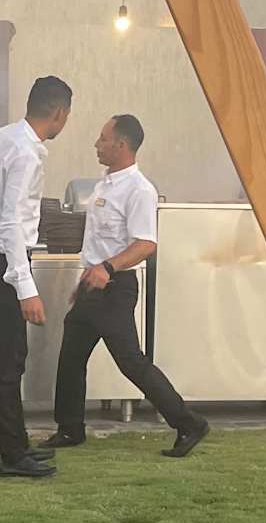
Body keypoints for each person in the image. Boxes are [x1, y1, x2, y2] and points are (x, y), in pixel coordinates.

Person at [43, 115, 208, 459]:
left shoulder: (139, 190)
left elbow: (146, 243)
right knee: (71, 356)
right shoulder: (104, 185)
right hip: (93, 285)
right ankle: (70, 429)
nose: (97, 144)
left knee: (131, 362)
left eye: (103, 139)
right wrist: (88, 276)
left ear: (121, 145)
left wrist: (107, 268)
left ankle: (189, 423)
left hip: (115, 288)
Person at [0, 75, 70, 478]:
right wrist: (25, 287)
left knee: (11, 360)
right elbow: (11, 221)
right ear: (58, 113)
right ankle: (12, 456)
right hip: (2, 266)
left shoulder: (4, 136)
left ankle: (18, 444)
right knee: (7, 364)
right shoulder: (25, 152)